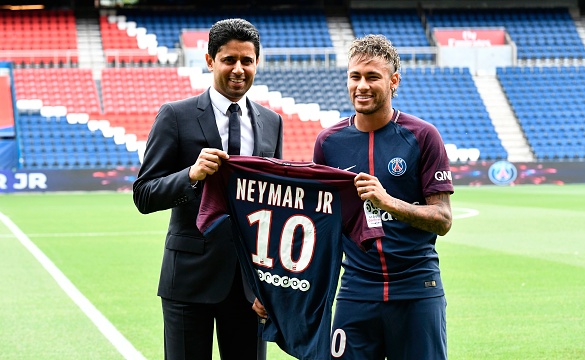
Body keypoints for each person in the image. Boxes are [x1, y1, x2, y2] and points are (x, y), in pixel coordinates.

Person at [132, 18, 283, 360]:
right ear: (210, 60)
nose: (239, 69)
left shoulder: (272, 122)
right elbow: (144, 194)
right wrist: (191, 174)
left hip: (249, 286)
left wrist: (270, 283)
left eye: (247, 60)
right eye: (230, 59)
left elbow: (275, 208)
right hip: (188, 282)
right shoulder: (175, 116)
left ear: (257, 62)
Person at [312, 34, 454, 359]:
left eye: (372, 77)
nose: (362, 86)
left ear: (394, 81)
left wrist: (387, 201)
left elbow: (443, 220)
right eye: (355, 76)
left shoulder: (423, 136)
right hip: (356, 292)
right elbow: (320, 227)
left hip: (417, 289)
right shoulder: (328, 143)